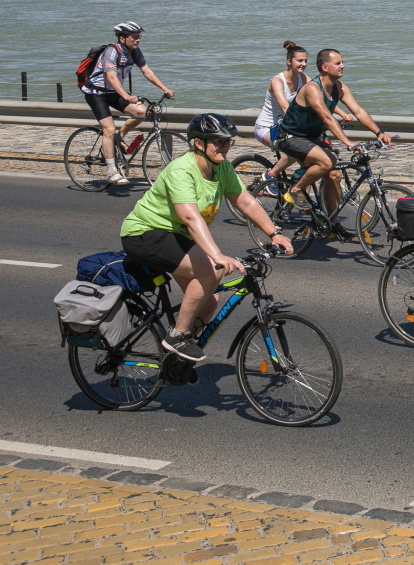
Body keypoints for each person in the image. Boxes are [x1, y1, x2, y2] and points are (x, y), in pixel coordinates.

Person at [118, 114, 292, 362]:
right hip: (145, 234)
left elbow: (244, 200)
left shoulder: (222, 168)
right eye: (218, 142)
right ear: (199, 144)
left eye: (228, 142)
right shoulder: (181, 170)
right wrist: (217, 255)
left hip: (176, 235)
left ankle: (178, 358)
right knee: (211, 271)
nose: (225, 146)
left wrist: (274, 233)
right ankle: (177, 336)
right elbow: (190, 218)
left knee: (209, 300)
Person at [274, 48, 391, 227]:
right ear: (324, 67)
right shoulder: (312, 89)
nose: (343, 66)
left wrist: (379, 132)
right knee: (328, 162)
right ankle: (295, 190)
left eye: (342, 62)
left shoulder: (340, 87)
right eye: (338, 63)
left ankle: (332, 224)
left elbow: (358, 111)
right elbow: (327, 118)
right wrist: (347, 142)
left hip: (311, 138)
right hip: (290, 137)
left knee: (334, 175)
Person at [80, 22, 175, 187]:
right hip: (96, 93)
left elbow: (146, 71)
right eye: (134, 37)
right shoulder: (111, 52)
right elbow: (111, 77)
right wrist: (126, 95)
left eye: (139, 37)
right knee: (108, 129)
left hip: (114, 92)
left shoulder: (135, 52)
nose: (138, 40)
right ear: (122, 38)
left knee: (142, 112)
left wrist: (165, 88)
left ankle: (121, 134)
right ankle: (111, 171)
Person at [253, 41, 309, 182]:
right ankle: (269, 176)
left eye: (306, 61)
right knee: (298, 149)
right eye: (299, 60)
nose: (303, 64)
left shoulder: (303, 78)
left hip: (286, 129)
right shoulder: (277, 81)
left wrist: (339, 113)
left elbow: (318, 95)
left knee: (309, 166)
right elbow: (285, 108)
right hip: (267, 128)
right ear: (289, 62)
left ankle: (299, 197)